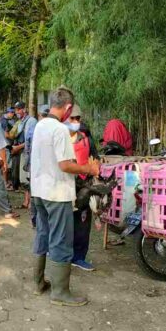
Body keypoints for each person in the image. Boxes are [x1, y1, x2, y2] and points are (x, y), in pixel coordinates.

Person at [31, 87, 99, 307]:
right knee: (61, 240)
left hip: (39, 191)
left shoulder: (40, 124)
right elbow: (65, 165)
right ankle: (60, 292)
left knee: (43, 233)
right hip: (56, 193)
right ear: (68, 107)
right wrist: (89, 169)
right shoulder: (59, 130)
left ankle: (38, 282)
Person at [65, 105, 95, 271]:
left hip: (83, 188)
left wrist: (94, 169)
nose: (75, 122)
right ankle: (60, 256)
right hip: (63, 188)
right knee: (63, 223)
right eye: (72, 119)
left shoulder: (86, 139)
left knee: (82, 224)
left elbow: (95, 158)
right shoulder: (59, 138)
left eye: (78, 119)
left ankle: (78, 257)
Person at [13, 102, 37, 209]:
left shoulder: (31, 121)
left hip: (30, 154)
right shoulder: (20, 122)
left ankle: (32, 203)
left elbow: (30, 141)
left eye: (19, 109)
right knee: (24, 179)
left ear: (24, 109)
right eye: (16, 110)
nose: (17, 112)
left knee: (30, 178)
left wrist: (18, 147)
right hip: (22, 153)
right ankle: (26, 201)